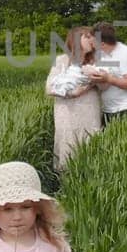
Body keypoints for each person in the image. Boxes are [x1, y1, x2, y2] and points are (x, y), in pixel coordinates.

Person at [45, 26, 102, 171]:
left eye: (92, 37)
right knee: (68, 148)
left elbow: (106, 88)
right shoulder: (62, 61)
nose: (91, 40)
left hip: (90, 112)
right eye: (87, 37)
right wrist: (73, 93)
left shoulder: (96, 62)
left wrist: (97, 80)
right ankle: (66, 189)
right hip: (67, 113)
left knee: (90, 146)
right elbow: (49, 88)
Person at [85, 22, 127, 125]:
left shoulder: (126, 54)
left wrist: (108, 79)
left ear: (102, 43)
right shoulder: (101, 54)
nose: (90, 41)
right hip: (109, 110)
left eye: (92, 39)